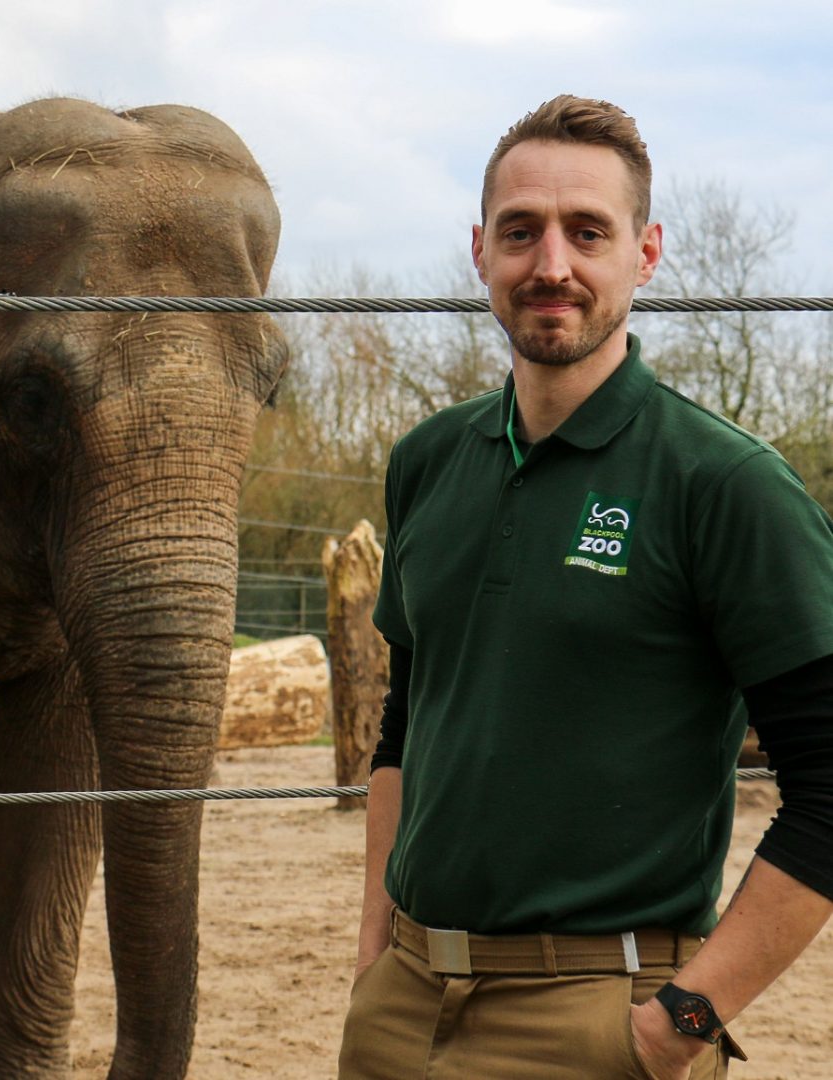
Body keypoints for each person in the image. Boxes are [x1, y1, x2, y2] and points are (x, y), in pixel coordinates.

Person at [338, 95, 833, 1080]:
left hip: (599, 1019)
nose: (550, 265)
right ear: (479, 250)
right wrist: (371, 963)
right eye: (520, 232)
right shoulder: (427, 462)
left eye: (586, 232)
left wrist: (678, 1024)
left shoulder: (724, 486)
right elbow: (405, 725)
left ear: (643, 254)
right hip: (400, 1005)